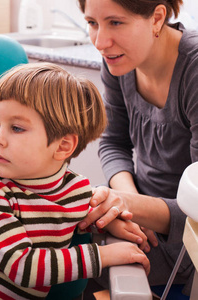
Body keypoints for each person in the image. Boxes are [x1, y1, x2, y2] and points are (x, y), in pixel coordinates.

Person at [0, 63, 150, 300]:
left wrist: (108, 223)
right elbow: (22, 268)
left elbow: (82, 216)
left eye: (16, 128)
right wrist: (103, 256)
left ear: (63, 146)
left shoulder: (76, 189)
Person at [76, 0, 198, 296]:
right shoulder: (120, 59)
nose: (100, 42)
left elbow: (196, 208)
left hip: (183, 237)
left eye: (115, 22)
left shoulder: (193, 71)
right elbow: (113, 142)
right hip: (135, 212)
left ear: (157, 18)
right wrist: (126, 203)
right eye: (92, 23)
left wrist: (127, 206)